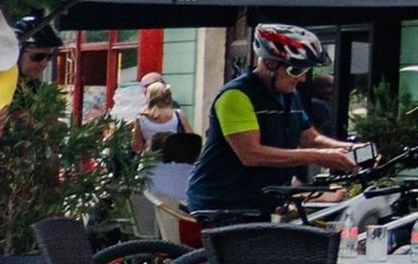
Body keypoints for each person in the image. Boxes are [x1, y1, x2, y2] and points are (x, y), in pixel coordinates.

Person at [187, 24, 358, 221]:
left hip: (260, 201)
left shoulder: (289, 95)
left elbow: (309, 138)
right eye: (296, 70)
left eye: (306, 71)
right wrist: (319, 156)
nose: (303, 79)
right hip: (223, 204)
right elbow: (251, 154)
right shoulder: (236, 96)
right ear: (269, 63)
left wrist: (350, 149)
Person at [131, 81, 186, 154]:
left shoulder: (141, 118)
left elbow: (137, 146)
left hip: (150, 158)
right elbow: (191, 138)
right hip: (173, 156)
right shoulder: (178, 114)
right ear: (168, 96)